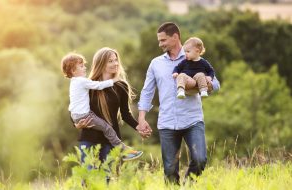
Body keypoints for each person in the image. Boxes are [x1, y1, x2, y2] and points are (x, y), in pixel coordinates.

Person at [137, 22, 220, 184]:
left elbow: (216, 84)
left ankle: (188, 186)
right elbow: (147, 91)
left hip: (192, 119)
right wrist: (141, 118)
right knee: (169, 169)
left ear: (175, 37)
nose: (160, 44)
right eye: (159, 41)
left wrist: (204, 84)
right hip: (167, 122)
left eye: (163, 40)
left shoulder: (196, 58)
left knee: (200, 159)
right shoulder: (156, 63)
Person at [61, 52, 142, 161]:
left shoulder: (121, 86)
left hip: (109, 142)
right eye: (110, 61)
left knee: (107, 176)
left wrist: (139, 127)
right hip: (89, 138)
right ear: (101, 63)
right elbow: (75, 107)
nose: (115, 63)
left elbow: (125, 114)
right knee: (88, 175)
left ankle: (123, 150)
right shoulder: (88, 84)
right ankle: (123, 149)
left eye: (115, 60)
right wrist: (77, 125)